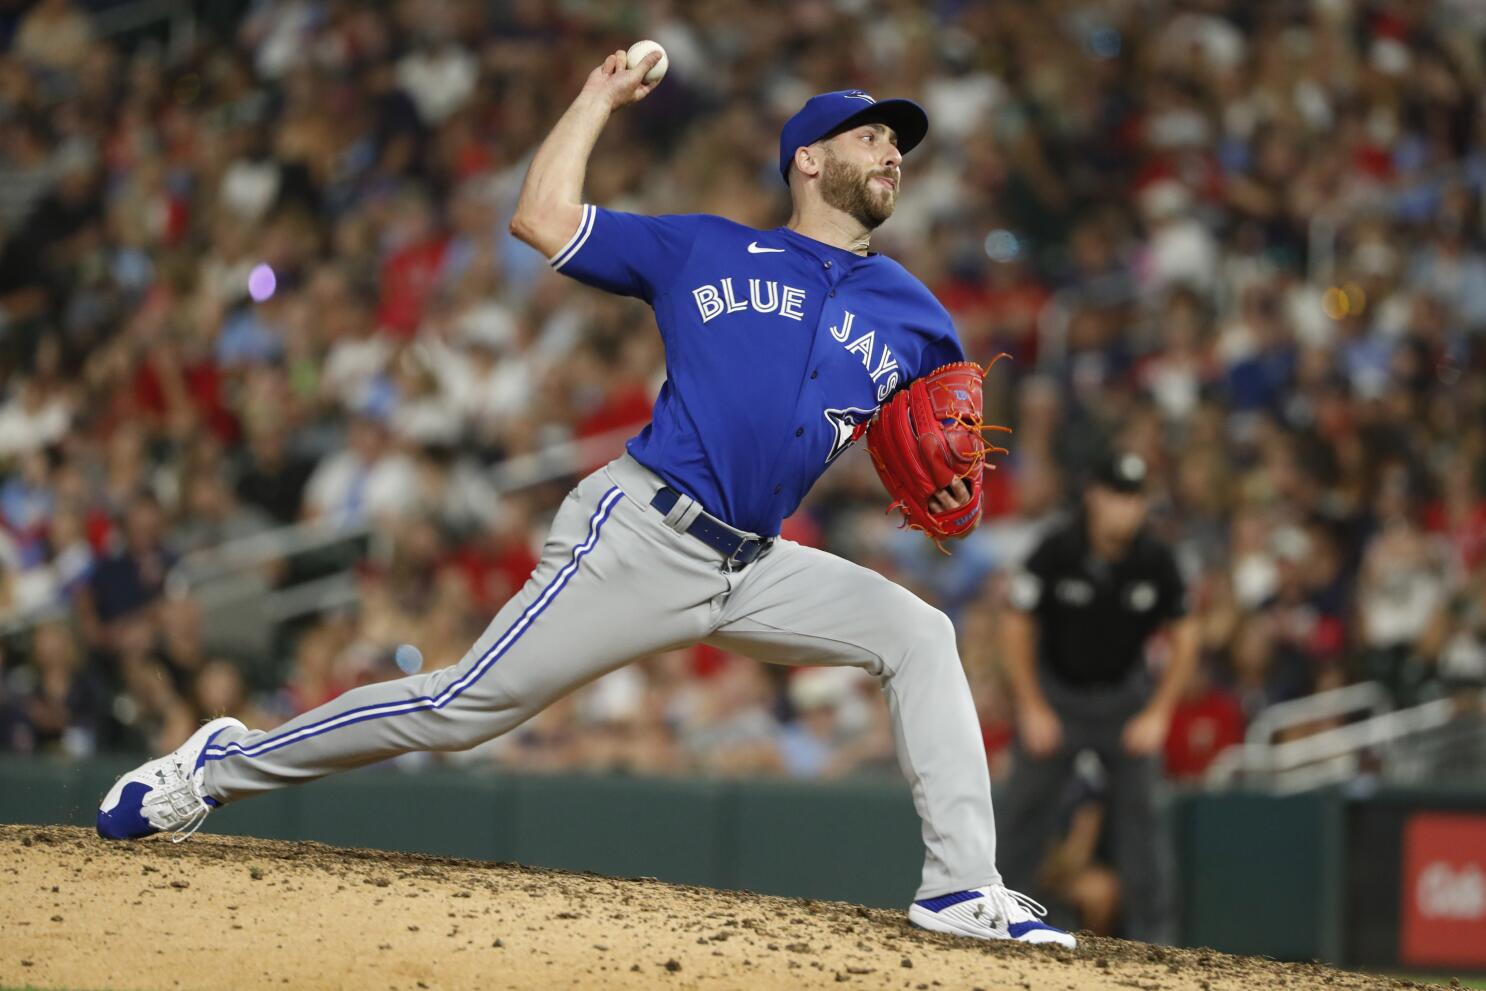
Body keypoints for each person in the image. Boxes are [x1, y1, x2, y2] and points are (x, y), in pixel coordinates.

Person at [96, 49, 1074, 949]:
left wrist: (947, 485)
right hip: (644, 533)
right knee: (458, 706)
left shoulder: (912, 308)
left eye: (899, 142)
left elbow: (939, 445)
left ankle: (958, 885)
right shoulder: (706, 249)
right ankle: (216, 766)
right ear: (807, 162)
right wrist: (597, 99)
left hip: (755, 562)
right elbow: (542, 219)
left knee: (920, 634)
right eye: (870, 135)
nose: (891, 152)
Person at [998, 451, 1198, 943]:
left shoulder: (1155, 559)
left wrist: (1159, 711)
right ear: (1093, 496)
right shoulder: (1056, 549)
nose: (1125, 508)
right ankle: (997, 925)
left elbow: (1187, 634)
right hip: (1057, 696)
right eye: (1116, 495)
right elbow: (1014, 623)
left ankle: (1157, 944)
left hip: (1124, 702)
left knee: (1145, 825)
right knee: (1022, 817)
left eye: (1133, 498)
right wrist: (1031, 706)